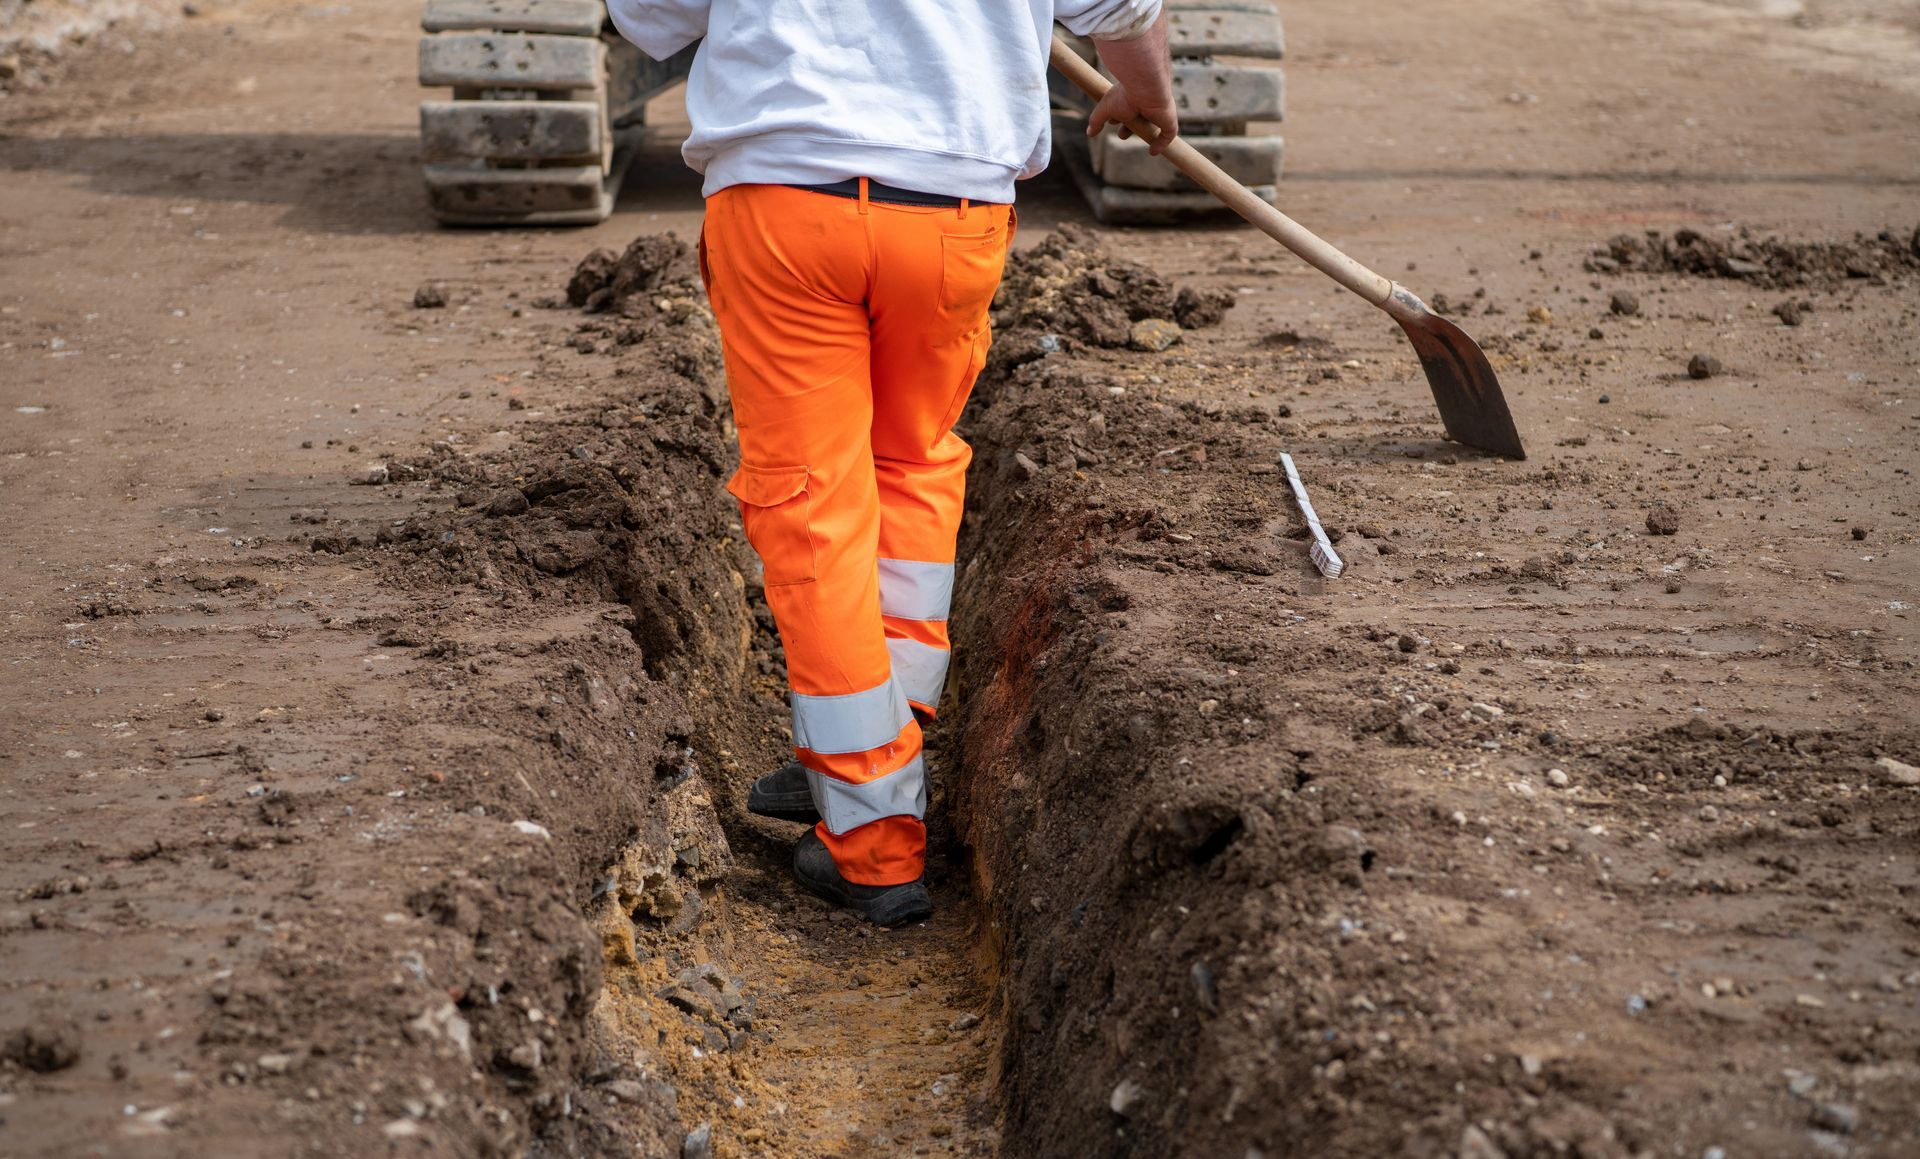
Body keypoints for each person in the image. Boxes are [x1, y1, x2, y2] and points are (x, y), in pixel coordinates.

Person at [608, 0, 1178, 926]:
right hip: (952, 211)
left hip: (786, 203)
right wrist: (1146, 91)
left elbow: (650, 20)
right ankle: (879, 750)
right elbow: (1128, 10)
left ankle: (872, 836)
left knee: (811, 507)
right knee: (913, 464)